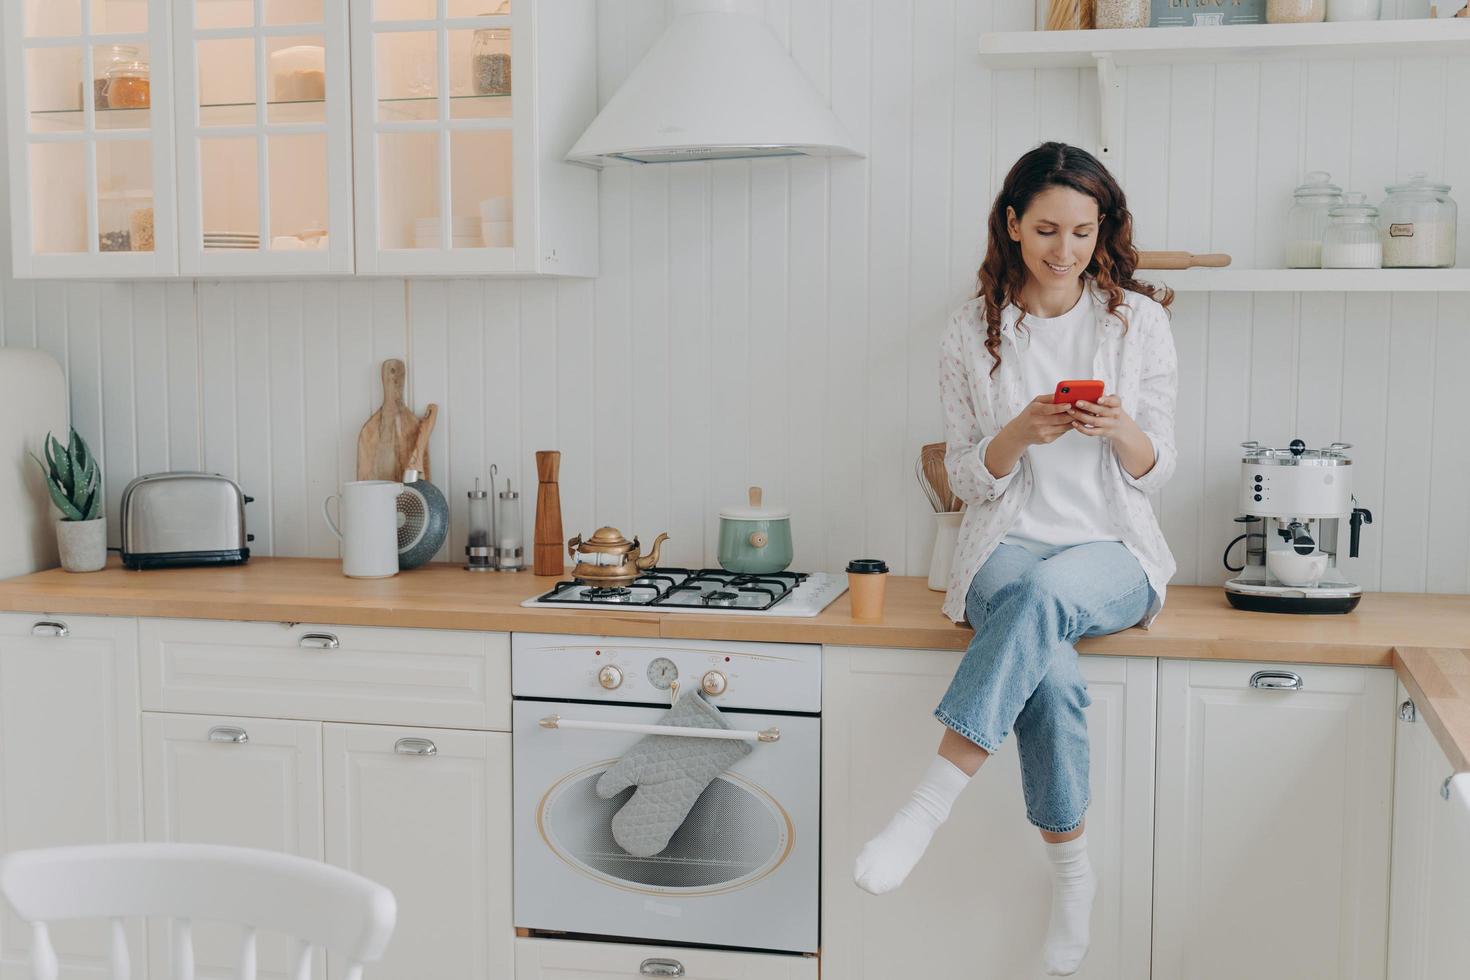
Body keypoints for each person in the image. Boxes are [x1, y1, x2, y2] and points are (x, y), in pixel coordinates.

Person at [852, 141, 1179, 977]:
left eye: (1081, 230)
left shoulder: (1139, 322)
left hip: (1111, 549)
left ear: (1102, 231)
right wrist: (1015, 437)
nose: (1063, 250)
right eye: (1045, 230)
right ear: (1012, 225)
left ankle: (928, 805)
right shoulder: (971, 329)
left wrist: (1122, 433)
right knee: (1052, 669)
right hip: (1004, 544)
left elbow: (1160, 469)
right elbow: (965, 474)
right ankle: (1073, 872)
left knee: (1047, 600)